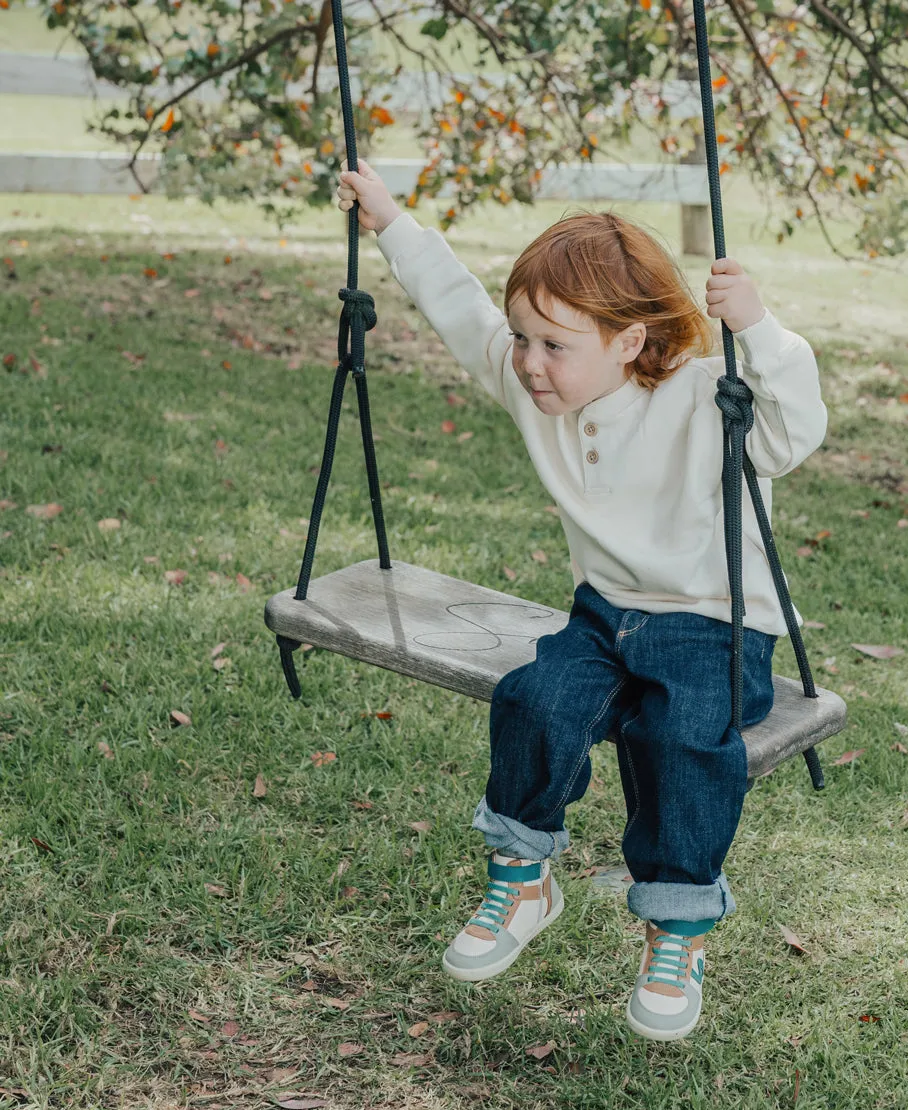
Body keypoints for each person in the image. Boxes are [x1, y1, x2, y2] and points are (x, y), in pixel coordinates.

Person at [336, 160, 826, 1041]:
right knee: (534, 701)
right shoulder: (539, 387)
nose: (528, 362)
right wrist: (389, 221)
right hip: (605, 613)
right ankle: (524, 878)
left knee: (680, 734)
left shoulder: (697, 396)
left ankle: (676, 927)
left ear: (629, 344)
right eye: (524, 338)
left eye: (554, 344)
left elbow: (792, 437)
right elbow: (457, 305)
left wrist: (757, 328)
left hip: (714, 621)